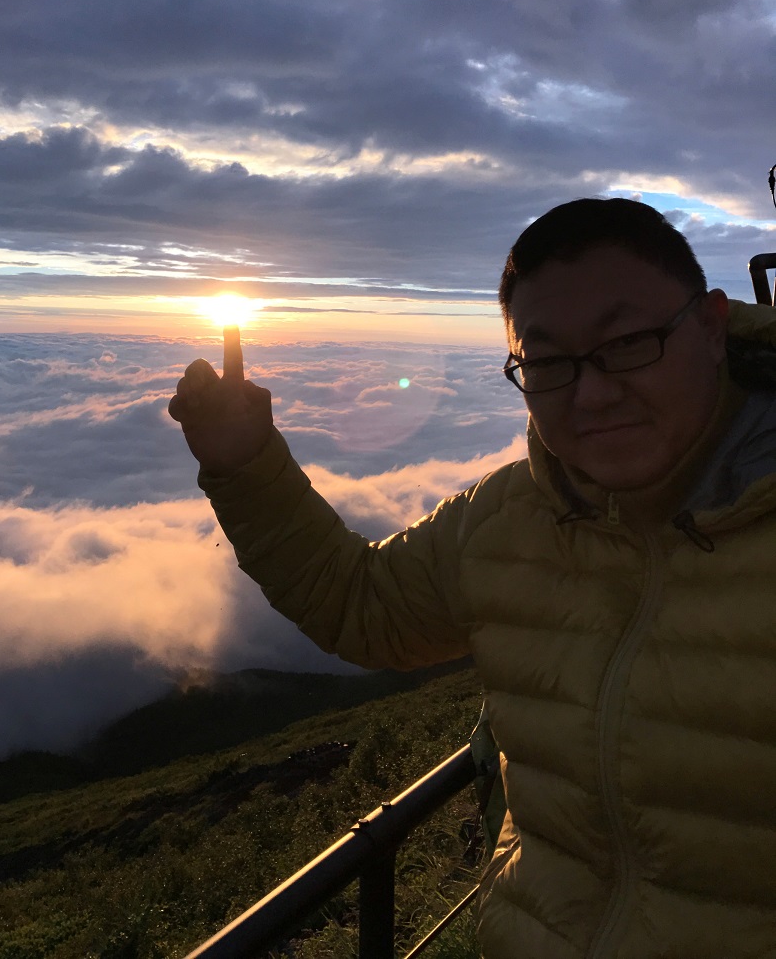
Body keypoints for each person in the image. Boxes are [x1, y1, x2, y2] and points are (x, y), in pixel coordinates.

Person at [169, 198, 776, 959]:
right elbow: (366, 608)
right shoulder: (506, 517)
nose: (590, 394)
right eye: (548, 362)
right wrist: (242, 464)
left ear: (713, 327)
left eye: (629, 342)